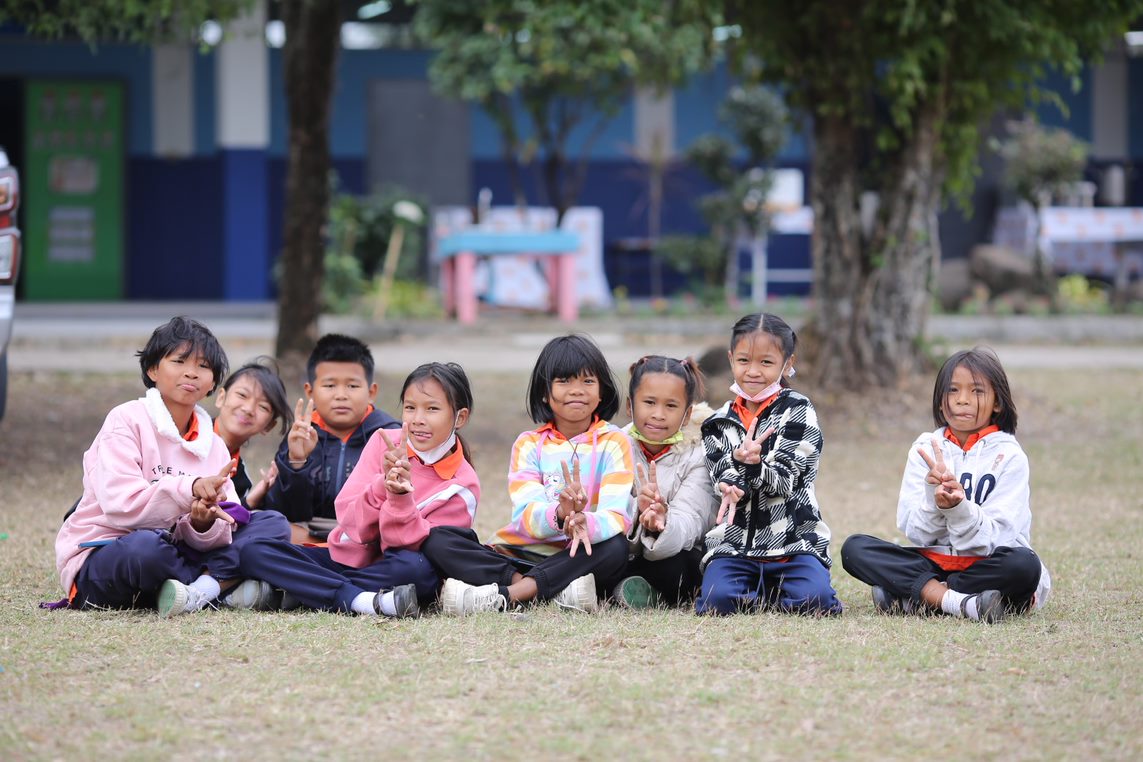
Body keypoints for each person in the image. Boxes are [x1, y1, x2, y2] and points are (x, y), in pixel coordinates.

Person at [52, 317, 291, 617]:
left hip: (176, 551)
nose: (191, 372)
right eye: (179, 361)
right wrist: (188, 489)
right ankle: (219, 587)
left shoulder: (214, 445)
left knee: (272, 524)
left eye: (203, 366)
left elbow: (224, 524)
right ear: (153, 369)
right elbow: (120, 506)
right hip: (110, 552)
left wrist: (202, 522)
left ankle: (196, 592)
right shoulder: (126, 420)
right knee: (146, 550)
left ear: (213, 383)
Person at [235, 363, 480, 618]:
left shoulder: (463, 485)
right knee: (254, 551)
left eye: (432, 409)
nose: (418, 419)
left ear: (460, 417)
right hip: (348, 559)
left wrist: (399, 496)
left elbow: (411, 547)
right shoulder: (384, 440)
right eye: (410, 407)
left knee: (417, 572)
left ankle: (305, 587)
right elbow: (349, 522)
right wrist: (380, 484)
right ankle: (358, 599)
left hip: (399, 567)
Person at [421, 334, 635, 615]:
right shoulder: (528, 444)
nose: (577, 390)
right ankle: (547, 589)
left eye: (587, 381)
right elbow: (525, 516)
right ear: (545, 392)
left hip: (583, 555)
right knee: (439, 539)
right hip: (521, 558)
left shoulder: (615, 441)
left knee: (616, 547)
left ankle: (510, 595)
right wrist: (560, 514)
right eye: (564, 381)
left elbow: (616, 514)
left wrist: (583, 522)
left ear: (601, 391)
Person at [840, 348, 1049, 623]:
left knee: (1024, 565)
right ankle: (964, 603)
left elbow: (998, 540)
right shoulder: (925, 448)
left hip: (986, 565)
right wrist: (933, 501)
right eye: (953, 391)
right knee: (855, 548)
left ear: (998, 402)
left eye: (977, 391)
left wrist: (959, 508)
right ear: (940, 402)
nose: (963, 400)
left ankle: (918, 597)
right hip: (936, 562)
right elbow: (916, 534)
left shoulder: (1010, 456)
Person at [695, 313, 842, 616]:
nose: (753, 371)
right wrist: (730, 485)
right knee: (715, 602)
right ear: (730, 359)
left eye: (766, 362)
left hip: (793, 542)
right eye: (744, 360)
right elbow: (720, 474)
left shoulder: (798, 411)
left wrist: (753, 466)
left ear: (787, 364)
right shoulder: (716, 423)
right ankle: (762, 590)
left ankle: (774, 589)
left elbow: (784, 482)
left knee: (817, 602)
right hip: (734, 545)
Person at [264, 334, 400, 539]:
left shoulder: (389, 435)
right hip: (308, 536)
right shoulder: (301, 434)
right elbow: (284, 511)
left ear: (371, 392)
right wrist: (297, 462)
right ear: (310, 391)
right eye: (329, 385)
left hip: (369, 539)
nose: (341, 395)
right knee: (262, 533)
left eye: (352, 386)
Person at [613, 355, 718, 608]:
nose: (658, 415)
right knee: (606, 555)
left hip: (672, 552)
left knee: (677, 567)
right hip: (625, 549)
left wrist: (662, 521)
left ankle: (650, 594)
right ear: (630, 406)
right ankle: (631, 588)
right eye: (649, 402)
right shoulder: (614, 445)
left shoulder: (699, 453)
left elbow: (693, 518)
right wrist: (637, 511)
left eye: (671, 406)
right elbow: (605, 508)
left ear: (687, 413)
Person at [212, 358, 293, 509]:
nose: (249, 409)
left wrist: (251, 501)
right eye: (242, 395)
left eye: (263, 407)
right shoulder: (185, 433)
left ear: (268, 426)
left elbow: (225, 521)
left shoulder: (241, 478)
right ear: (221, 397)